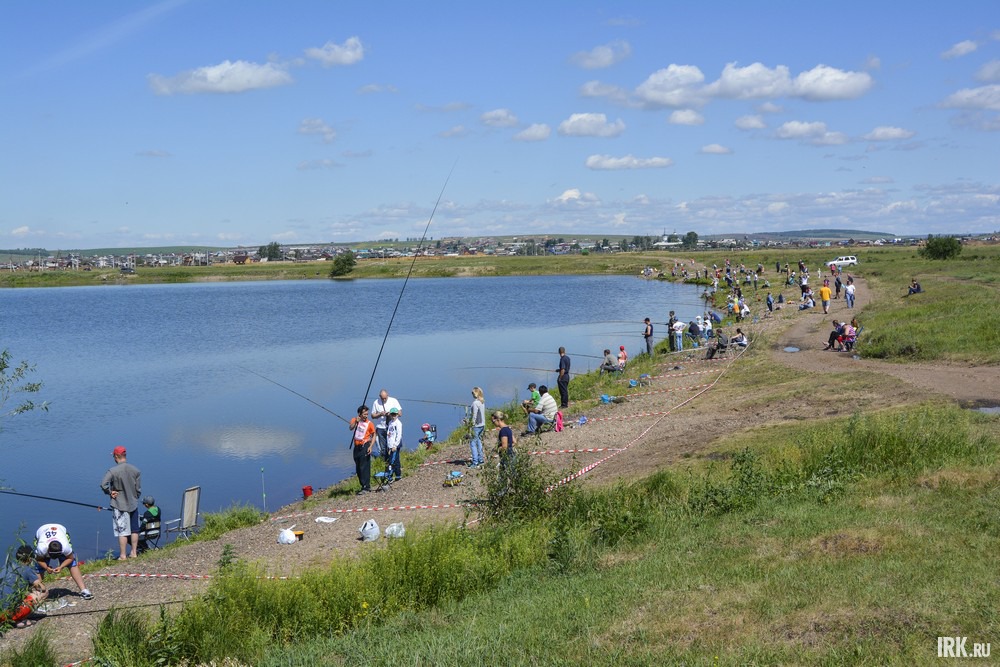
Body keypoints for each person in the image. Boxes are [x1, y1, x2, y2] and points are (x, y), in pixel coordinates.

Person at [100, 446, 142, 560]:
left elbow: (103, 484)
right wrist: (135, 497)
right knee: (134, 529)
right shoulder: (135, 470)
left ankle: (123, 555)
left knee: (122, 531)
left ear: (116, 456)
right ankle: (134, 553)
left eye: (114, 456)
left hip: (119, 504)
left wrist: (109, 492)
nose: (113, 458)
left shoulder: (113, 471)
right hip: (133, 504)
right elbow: (138, 490)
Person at [33, 524, 92, 600]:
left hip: (60, 529)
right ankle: (38, 594)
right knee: (39, 568)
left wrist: (61, 567)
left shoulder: (65, 546)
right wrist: (46, 567)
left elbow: (70, 558)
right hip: (41, 531)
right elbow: (39, 560)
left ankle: (84, 590)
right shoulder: (42, 547)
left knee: (72, 564)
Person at [0, 545, 48, 628]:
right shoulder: (27, 570)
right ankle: (19, 619)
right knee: (44, 593)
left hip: (0, 612)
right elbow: (42, 588)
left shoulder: (6, 566)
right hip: (9, 614)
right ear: (30, 559)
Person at [349, 405, 375, 494]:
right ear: (359, 414)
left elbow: (374, 434)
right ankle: (362, 485)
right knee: (358, 467)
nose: (366, 416)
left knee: (364, 466)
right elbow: (351, 428)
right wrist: (356, 421)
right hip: (356, 447)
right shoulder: (355, 420)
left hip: (365, 446)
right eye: (364, 414)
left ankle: (366, 486)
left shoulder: (369, 423)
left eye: (367, 414)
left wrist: (371, 446)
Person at [371, 389, 402, 457]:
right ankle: (385, 460)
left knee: (393, 444)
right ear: (379, 396)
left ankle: (393, 459)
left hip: (391, 426)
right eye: (382, 398)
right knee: (383, 447)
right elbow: (372, 416)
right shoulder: (376, 402)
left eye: (385, 398)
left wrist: (391, 414)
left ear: (388, 395)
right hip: (380, 427)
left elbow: (400, 413)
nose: (384, 400)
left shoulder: (394, 400)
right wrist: (380, 414)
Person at [469, 387, 485, 468]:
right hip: (482, 425)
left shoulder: (475, 403)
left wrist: (471, 425)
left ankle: (475, 462)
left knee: (472, 443)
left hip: (476, 426)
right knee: (479, 441)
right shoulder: (482, 402)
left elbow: (474, 415)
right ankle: (481, 459)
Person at [385, 407, 402, 481]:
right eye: (392, 414)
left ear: (397, 415)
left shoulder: (398, 423)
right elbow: (389, 434)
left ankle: (391, 476)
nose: (393, 416)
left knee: (392, 461)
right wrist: (388, 446)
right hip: (390, 445)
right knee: (394, 460)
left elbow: (399, 435)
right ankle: (398, 475)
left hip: (395, 446)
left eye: (395, 414)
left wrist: (395, 445)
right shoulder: (390, 423)